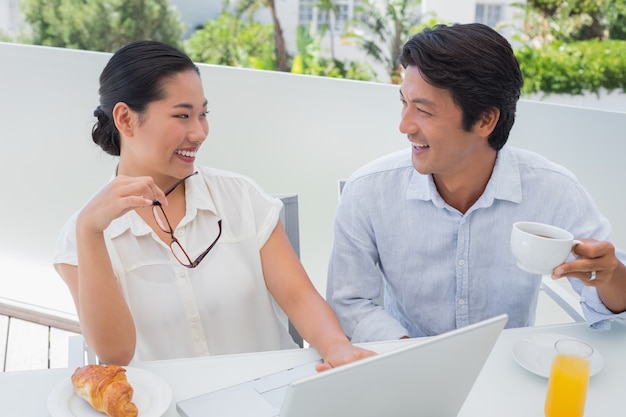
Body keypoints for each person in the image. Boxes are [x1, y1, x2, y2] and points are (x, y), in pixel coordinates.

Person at [53, 40, 374, 369]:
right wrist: (90, 233)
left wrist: (336, 346)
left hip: (271, 397)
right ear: (125, 119)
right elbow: (115, 355)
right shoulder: (81, 236)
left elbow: (299, 297)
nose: (199, 132)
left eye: (203, 114)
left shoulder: (241, 197)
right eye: (182, 115)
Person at [326, 23, 626, 343]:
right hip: (406, 370)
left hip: (508, 371)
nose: (405, 126)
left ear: (485, 120)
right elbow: (349, 302)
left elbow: (613, 304)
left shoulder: (555, 191)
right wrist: (412, 356)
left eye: (424, 111)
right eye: (404, 103)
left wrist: (612, 275)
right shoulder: (368, 192)